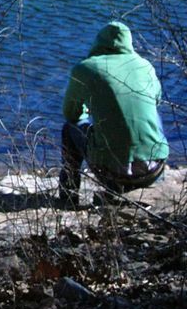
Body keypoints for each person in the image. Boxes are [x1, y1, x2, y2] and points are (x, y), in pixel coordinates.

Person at [60, 20, 169, 208]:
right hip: (155, 169)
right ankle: (129, 184)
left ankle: (68, 196)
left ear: (99, 42)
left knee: (69, 129)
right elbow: (156, 100)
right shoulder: (146, 66)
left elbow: (71, 114)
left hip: (112, 172)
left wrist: (90, 110)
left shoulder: (86, 68)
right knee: (150, 112)